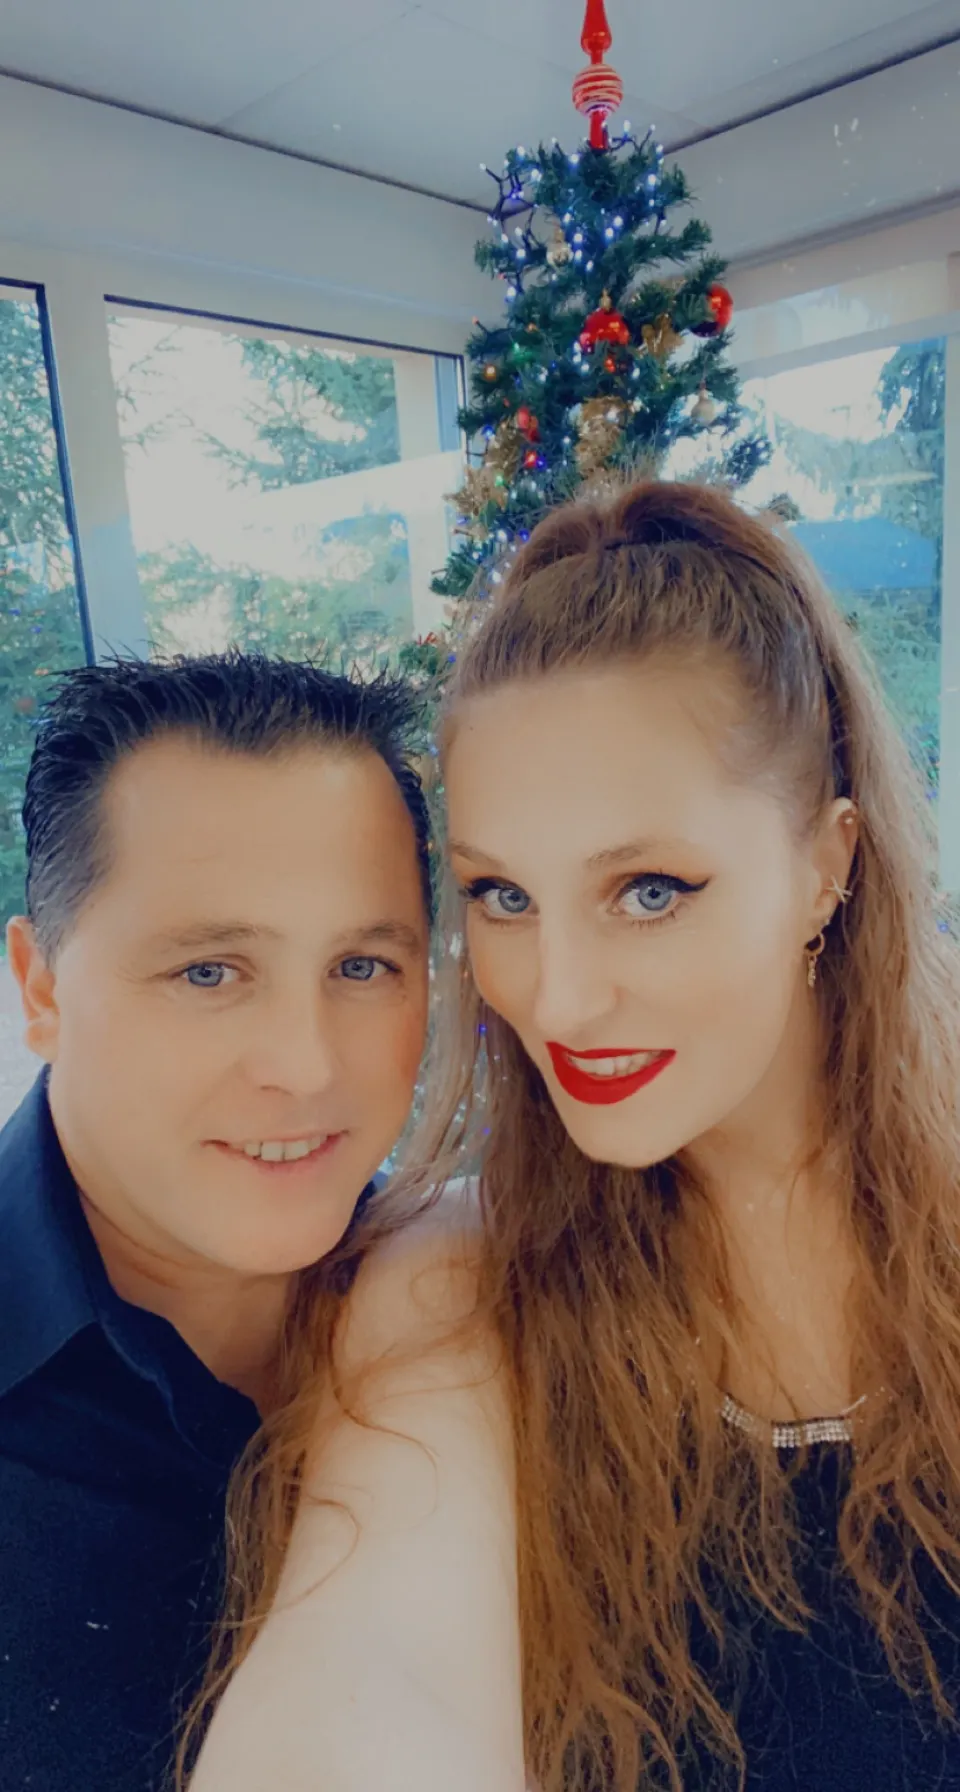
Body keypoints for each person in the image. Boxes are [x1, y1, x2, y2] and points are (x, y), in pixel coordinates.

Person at [192, 480, 960, 1792]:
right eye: (502, 895)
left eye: (647, 890)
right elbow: (375, 1672)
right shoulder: (462, 1289)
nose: (556, 999)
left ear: (827, 865)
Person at [0, 652, 435, 1792]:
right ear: (40, 987)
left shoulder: (493, 1306)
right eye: (208, 973)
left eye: (361, 964)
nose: (306, 1064)